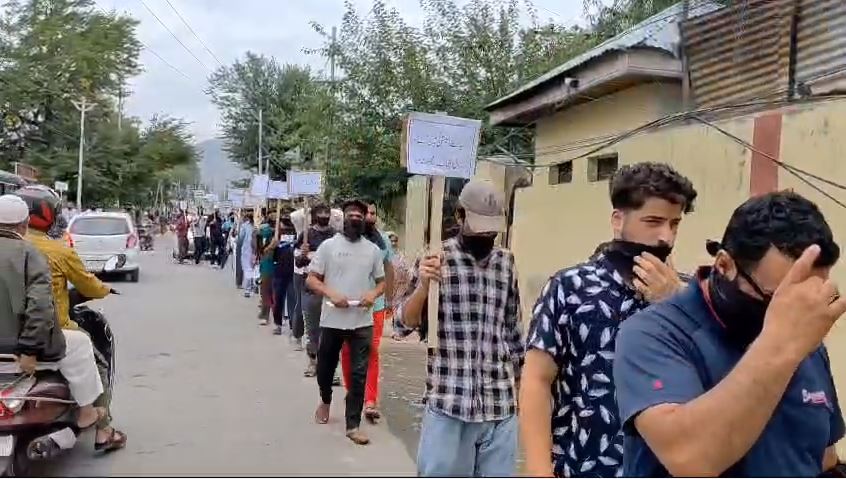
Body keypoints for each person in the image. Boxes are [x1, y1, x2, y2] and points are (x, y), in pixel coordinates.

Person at [614, 191, 845, 477]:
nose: (793, 314)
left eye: (803, 299)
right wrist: (781, 345)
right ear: (724, 265)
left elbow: (822, 456)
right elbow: (690, 458)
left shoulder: (805, 340)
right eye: (777, 299)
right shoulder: (654, 334)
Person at [521, 162, 698, 478]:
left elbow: (716, 371)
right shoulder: (571, 288)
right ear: (618, 220)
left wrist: (676, 302)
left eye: (674, 224)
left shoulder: (691, 296)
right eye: (653, 222)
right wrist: (538, 469)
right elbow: (537, 379)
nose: (665, 237)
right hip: (582, 465)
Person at [399, 180, 523, 477]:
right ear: (459, 216)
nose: (486, 234)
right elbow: (402, 324)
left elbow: (514, 332)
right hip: (449, 404)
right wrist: (425, 286)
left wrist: (524, 389)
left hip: (500, 405)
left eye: (492, 228)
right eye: (479, 226)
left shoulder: (506, 263)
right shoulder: (435, 260)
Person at [15, 187, 127, 452]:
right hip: (53, 332)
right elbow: (89, 286)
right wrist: (104, 288)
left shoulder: (12, 247)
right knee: (96, 363)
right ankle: (103, 430)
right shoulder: (57, 251)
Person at [0, 195, 107, 435]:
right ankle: (88, 414)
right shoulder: (31, 252)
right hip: (18, 346)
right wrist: (29, 350)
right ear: (24, 224)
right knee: (80, 343)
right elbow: (40, 308)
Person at [307, 199, 386, 445]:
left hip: (361, 321)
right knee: (325, 369)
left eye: (359, 216)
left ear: (364, 220)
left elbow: (382, 282)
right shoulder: (329, 247)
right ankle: (326, 399)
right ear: (342, 218)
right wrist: (331, 293)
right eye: (351, 215)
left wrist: (372, 294)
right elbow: (311, 279)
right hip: (332, 319)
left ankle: (353, 425)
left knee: (359, 374)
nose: (355, 218)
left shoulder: (372, 250)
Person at [340, 202, 395, 423]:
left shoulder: (382, 242)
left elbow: (389, 270)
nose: (370, 217)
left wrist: (389, 299)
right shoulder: (341, 241)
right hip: (348, 306)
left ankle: (370, 400)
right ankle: (352, 392)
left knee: (371, 351)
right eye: (366, 213)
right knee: (347, 351)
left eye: (373, 213)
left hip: (376, 306)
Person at [295, 203, 338, 378]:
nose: (323, 215)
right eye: (319, 212)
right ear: (313, 215)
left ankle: (330, 368)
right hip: (311, 288)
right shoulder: (305, 236)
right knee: (312, 327)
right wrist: (303, 255)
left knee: (330, 330)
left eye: (325, 212)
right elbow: (298, 263)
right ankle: (313, 362)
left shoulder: (336, 237)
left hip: (330, 288)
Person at [272, 215, 298, 338]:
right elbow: (266, 254)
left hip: (293, 272)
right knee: (278, 299)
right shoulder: (275, 236)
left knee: (293, 300)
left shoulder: (299, 235)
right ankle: (278, 323)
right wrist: (273, 246)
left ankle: (294, 326)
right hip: (279, 272)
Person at [385, 231, 413, 341]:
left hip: (400, 285)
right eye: (391, 241)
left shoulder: (401, 255)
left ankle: (397, 331)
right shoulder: (383, 255)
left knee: (397, 306)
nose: (393, 243)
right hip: (387, 285)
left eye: (395, 241)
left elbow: (406, 269)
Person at [257, 216, 276, 324]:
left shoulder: (277, 235)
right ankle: (265, 314)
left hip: (273, 267)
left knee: (268, 292)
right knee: (265, 291)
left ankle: (267, 315)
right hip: (266, 267)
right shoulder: (266, 233)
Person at [238, 215, 256, 297]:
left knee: (248, 268)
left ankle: (248, 289)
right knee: (253, 267)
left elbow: (241, 238)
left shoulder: (244, 226)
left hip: (246, 249)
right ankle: (253, 286)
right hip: (255, 250)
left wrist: (237, 241)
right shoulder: (255, 226)